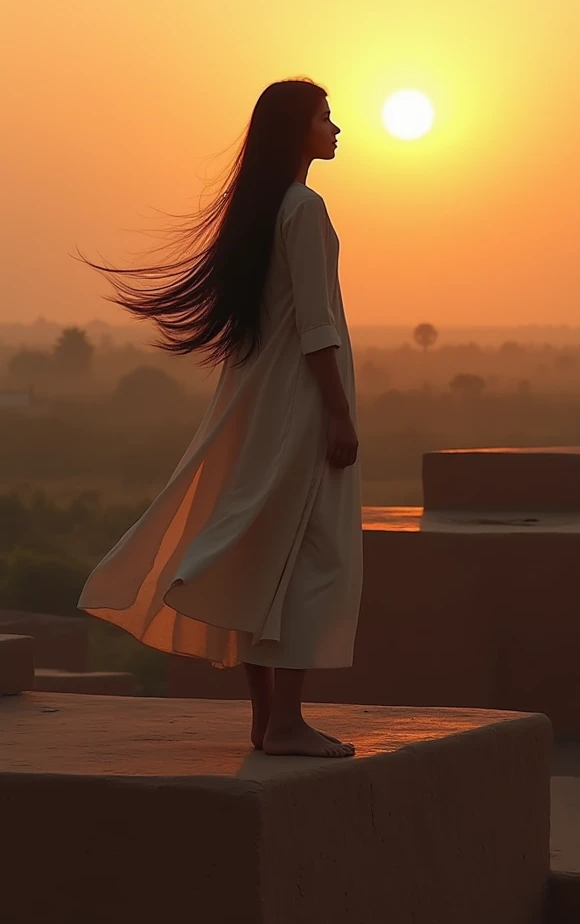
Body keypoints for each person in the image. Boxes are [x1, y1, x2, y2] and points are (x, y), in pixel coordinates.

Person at [77, 78, 362, 758]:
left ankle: (268, 723)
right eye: (325, 116)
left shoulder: (261, 211)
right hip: (299, 404)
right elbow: (318, 328)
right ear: (297, 130)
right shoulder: (304, 208)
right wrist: (339, 414)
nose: (337, 127)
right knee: (308, 555)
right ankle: (287, 723)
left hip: (261, 405)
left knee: (266, 550)